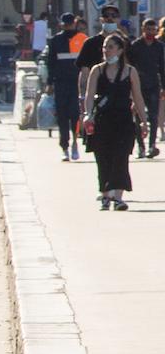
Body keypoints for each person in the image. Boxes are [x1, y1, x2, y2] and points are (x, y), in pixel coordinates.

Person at [83, 34, 149, 211]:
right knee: (103, 158)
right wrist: (88, 114)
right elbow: (89, 96)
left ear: (120, 50)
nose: (106, 50)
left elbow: (138, 98)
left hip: (124, 122)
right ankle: (105, 195)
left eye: (110, 47)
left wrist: (144, 121)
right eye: (105, 47)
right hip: (102, 121)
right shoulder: (97, 70)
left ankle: (118, 198)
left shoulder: (130, 72)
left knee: (120, 158)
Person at [44, 13, 83, 161]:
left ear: (75, 23)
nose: (68, 26)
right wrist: (49, 83)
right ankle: (65, 146)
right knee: (62, 116)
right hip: (61, 83)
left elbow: (86, 63)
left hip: (77, 83)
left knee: (75, 115)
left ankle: (75, 143)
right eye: (65, 24)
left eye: (70, 24)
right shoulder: (55, 41)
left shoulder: (82, 39)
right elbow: (51, 63)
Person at [128, 18, 165, 158]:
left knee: (153, 116)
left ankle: (152, 145)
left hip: (154, 85)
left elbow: (162, 67)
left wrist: (164, 86)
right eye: (147, 29)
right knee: (138, 116)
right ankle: (141, 147)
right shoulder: (136, 45)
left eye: (153, 29)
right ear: (143, 29)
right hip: (138, 86)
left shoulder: (159, 46)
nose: (150, 32)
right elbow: (130, 66)